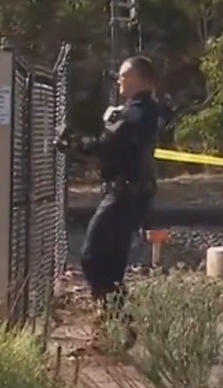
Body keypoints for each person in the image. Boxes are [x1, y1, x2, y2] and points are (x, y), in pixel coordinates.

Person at [58, 56, 162, 347]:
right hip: (129, 193)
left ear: (140, 78)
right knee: (112, 263)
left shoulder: (139, 112)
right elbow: (115, 150)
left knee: (92, 256)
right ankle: (113, 331)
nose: (119, 80)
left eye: (124, 75)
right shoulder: (139, 112)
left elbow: (109, 146)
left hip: (124, 195)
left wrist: (78, 144)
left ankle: (118, 322)